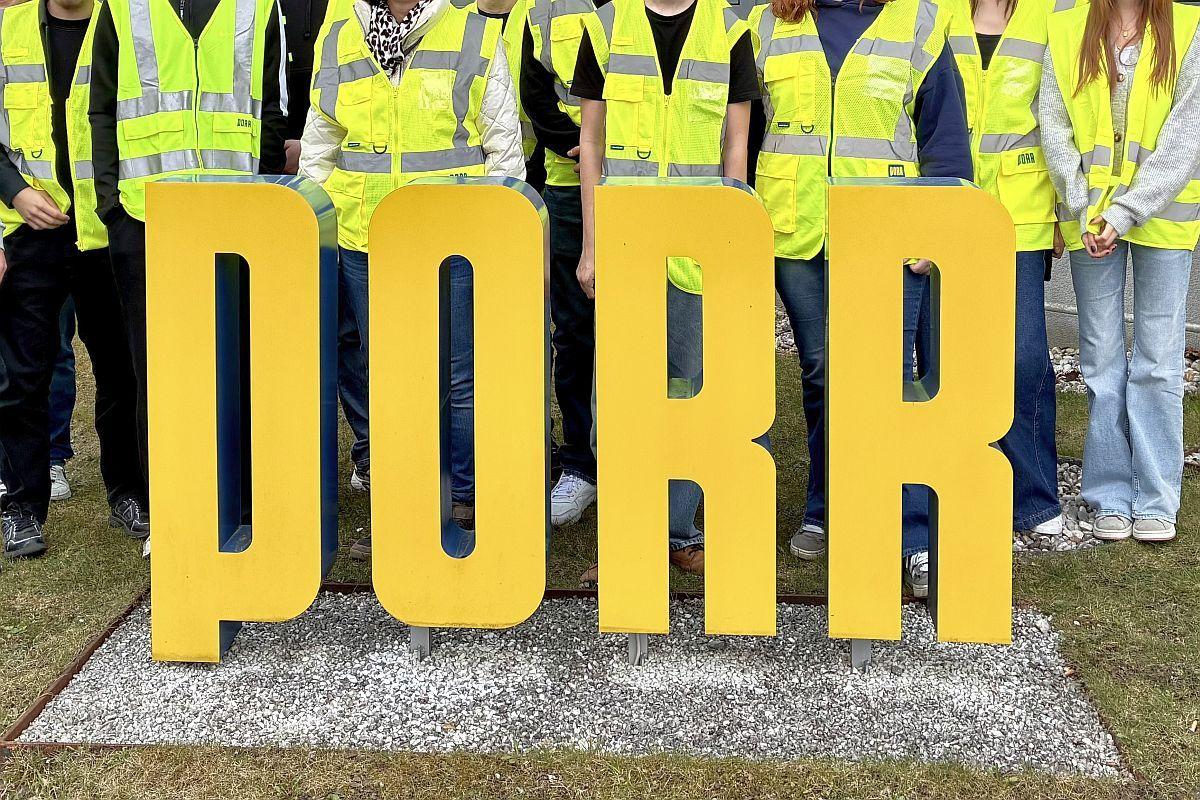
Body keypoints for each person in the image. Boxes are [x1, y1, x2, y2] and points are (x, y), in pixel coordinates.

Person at [749, 0, 970, 597]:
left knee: (890, 382)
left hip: (886, 234)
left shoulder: (917, 22)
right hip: (797, 232)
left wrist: (936, 227)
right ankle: (827, 509)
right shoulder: (769, 22)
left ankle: (913, 534)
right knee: (822, 374)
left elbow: (945, 134)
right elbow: (743, 127)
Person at [300, 0, 525, 559]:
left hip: (454, 241)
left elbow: (504, 150)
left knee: (458, 375)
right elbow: (319, 147)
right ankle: (405, 507)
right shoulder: (340, 36)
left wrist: (499, 235)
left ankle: (465, 502)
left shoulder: (472, 34)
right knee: (390, 376)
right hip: (366, 239)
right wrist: (311, 223)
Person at [89, 0, 291, 544]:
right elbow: (101, 109)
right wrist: (113, 206)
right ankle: (174, 515)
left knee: (241, 365)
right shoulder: (123, 8)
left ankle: (243, 508)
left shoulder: (258, 7)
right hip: (145, 219)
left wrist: (262, 196)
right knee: (160, 375)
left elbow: (273, 110)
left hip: (236, 219)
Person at [571, 0, 759, 584]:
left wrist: (730, 243)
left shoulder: (730, 31)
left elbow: (735, 146)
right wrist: (592, 245)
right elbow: (591, 145)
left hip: (697, 253)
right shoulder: (605, 28)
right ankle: (626, 530)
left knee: (690, 393)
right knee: (618, 399)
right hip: (626, 248)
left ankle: (677, 532)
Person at [1042, 0, 1200, 543]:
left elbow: (1186, 136)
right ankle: (1108, 495)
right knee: (1101, 359)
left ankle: (1156, 497)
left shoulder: (1189, 26)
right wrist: (1083, 204)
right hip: (1090, 221)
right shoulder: (1066, 29)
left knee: (1158, 362)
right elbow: (1055, 124)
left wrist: (1126, 211)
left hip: (1162, 220)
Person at [0, 0, 148, 558]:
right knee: (23, 377)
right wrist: (14, 191)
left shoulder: (128, 23)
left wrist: (117, 211)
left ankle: (129, 492)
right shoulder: (8, 30)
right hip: (30, 231)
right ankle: (22, 507)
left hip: (105, 229)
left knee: (123, 372)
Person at [949, 0, 1064, 538]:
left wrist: (1063, 212)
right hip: (950, 210)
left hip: (1023, 214)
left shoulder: (1047, 18)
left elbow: (1063, 125)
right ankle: (958, 482)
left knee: (1024, 357)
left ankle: (1033, 497)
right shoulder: (939, 15)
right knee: (949, 356)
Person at [521, 0, 599, 526]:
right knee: (574, 334)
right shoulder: (546, 10)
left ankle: (653, 463)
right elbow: (536, 95)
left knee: (652, 339)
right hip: (570, 190)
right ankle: (580, 466)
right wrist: (583, 147)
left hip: (644, 189)